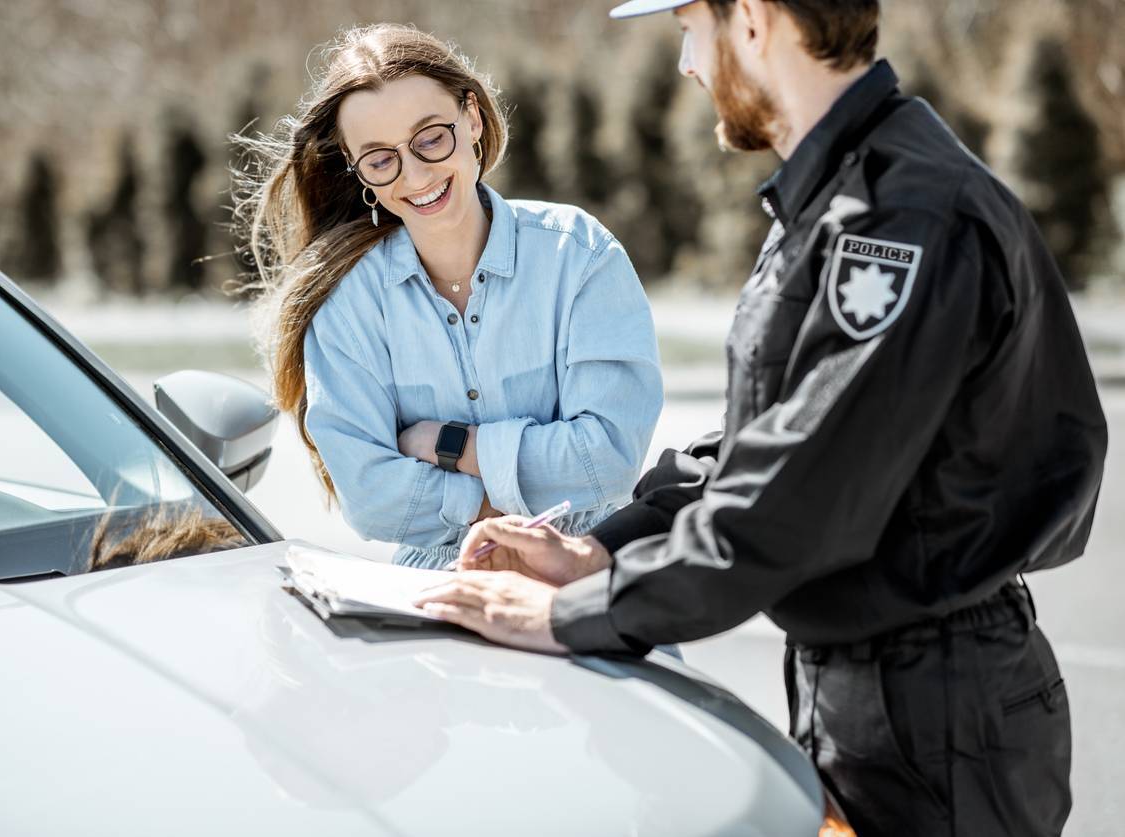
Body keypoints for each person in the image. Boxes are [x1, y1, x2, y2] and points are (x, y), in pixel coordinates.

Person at [414, 2, 1109, 835]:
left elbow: (801, 496)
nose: (686, 65)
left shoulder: (899, 217)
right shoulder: (851, 193)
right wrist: (604, 547)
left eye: (686, 28)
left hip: (937, 715)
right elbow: (772, 432)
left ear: (749, 20)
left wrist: (571, 617)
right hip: (885, 697)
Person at [235, 25, 662, 570]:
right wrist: (486, 508)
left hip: (589, 570)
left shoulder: (578, 254)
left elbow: (610, 457)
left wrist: (453, 446)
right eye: (381, 158)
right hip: (435, 587)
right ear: (356, 168)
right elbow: (369, 495)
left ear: (473, 118)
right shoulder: (347, 302)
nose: (415, 174)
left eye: (431, 137)